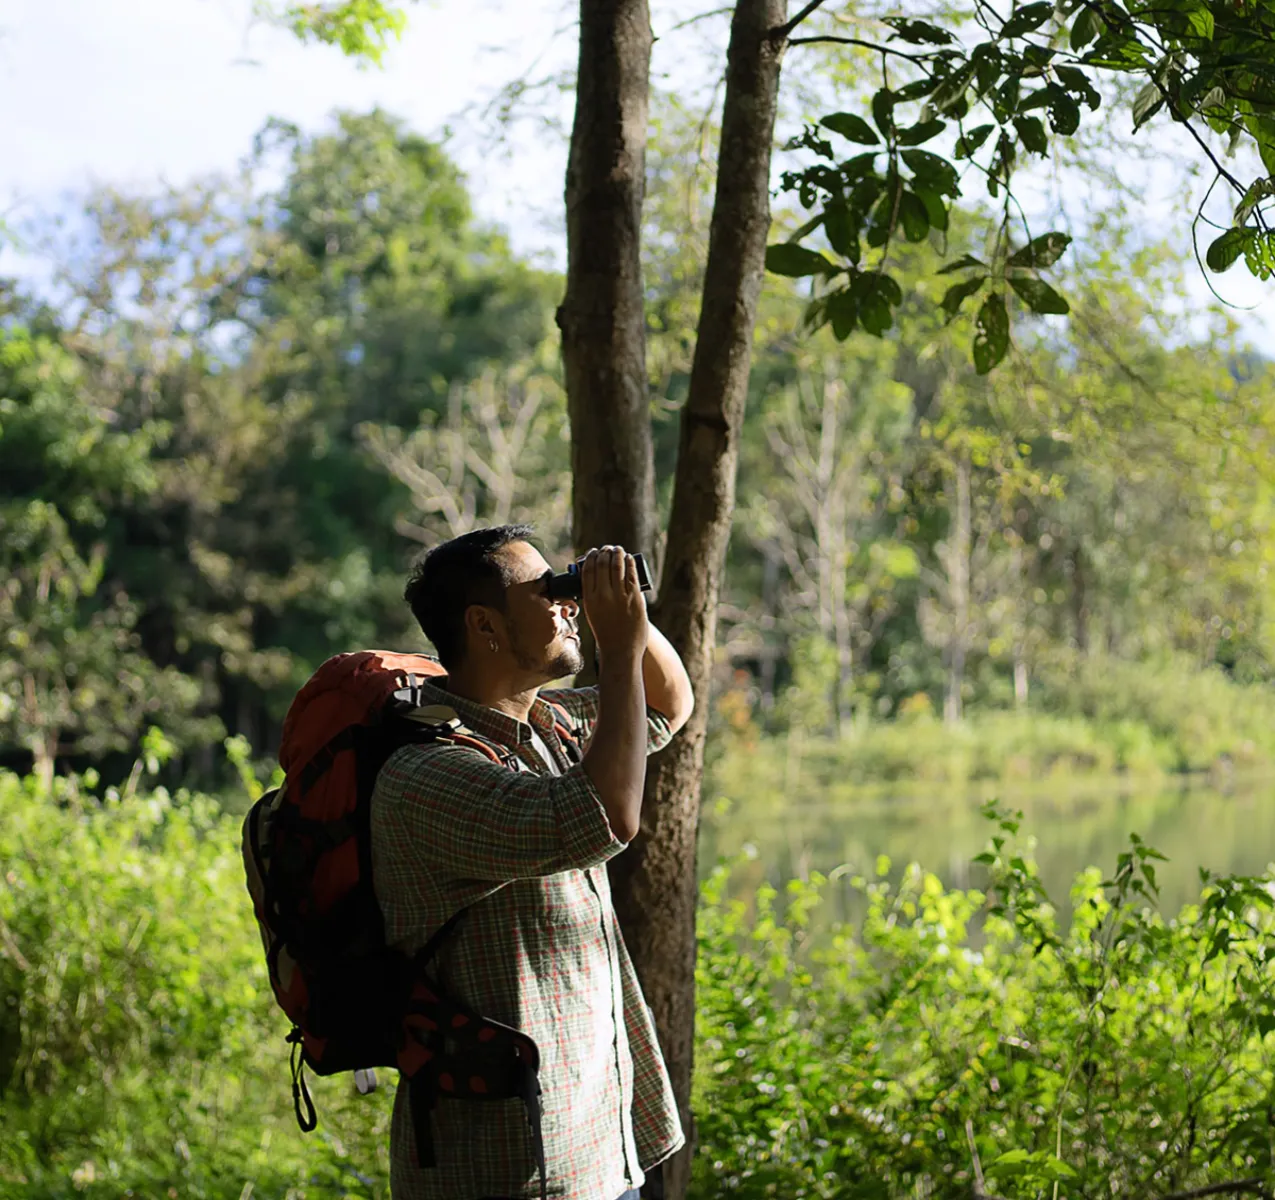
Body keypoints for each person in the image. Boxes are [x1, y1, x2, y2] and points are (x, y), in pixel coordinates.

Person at [371, 524, 694, 1200]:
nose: (567, 605)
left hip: (598, 1148)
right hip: (508, 1167)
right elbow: (604, 818)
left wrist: (623, 605)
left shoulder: (544, 727)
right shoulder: (429, 774)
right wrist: (619, 641)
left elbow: (666, 705)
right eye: (546, 594)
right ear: (484, 627)